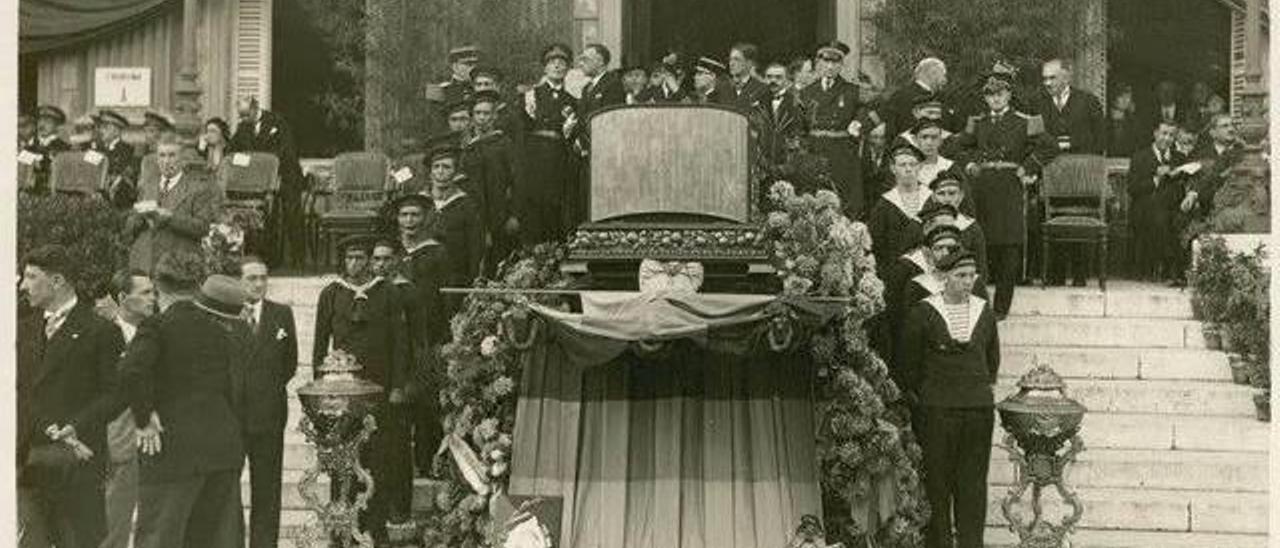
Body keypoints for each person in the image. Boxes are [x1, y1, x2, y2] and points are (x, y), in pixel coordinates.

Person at [121, 266, 251, 548]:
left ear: (158, 292)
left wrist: (144, 419)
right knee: (218, 540)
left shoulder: (156, 326)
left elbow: (132, 371)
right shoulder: (226, 330)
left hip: (172, 449)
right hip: (223, 448)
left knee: (160, 537)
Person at [17, 245, 125, 548]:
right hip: (25, 464)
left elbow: (115, 394)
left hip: (75, 466)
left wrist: (78, 425)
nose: (23, 285)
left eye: (31, 277)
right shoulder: (20, 330)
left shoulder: (101, 332)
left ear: (57, 281)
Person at [312, 234, 411, 543]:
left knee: (377, 458)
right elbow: (319, 344)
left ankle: (375, 526)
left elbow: (400, 342)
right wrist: (319, 390)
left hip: (379, 390)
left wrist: (396, 386)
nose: (354, 264)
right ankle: (341, 530)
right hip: (342, 390)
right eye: (349, 258)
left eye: (360, 258)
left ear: (370, 260)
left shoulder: (388, 293)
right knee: (342, 459)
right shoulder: (332, 293)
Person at [897, 249, 1000, 548]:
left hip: (977, 411)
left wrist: (976, 389)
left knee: (972, 486)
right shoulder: (923, 313)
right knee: (938, 485)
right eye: (960, 276)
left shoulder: (984, 311)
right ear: (943, 278)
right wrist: (930, 395)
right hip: (937, 411)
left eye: (971, 276)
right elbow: (908, 365)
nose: (968, 282)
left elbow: (992, 359)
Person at [954, 71, 1054, 320]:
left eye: (1000, 93)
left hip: (1010, 189)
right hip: (982, 189)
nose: (995, 98)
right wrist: (969, 164)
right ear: (985, 98)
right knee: (981, 245)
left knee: (1009, 248)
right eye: (990, 94)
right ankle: (978, 304)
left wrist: (1027, 167)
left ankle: (1001, 308)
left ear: (1009, 94)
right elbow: (958, 147)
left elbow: (1049, 146)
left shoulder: (1025, 121)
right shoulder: (976, 122)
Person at [1027, 58, 1105, 286]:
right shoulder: (1036, 103)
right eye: (1045, 78)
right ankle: (1054, 273)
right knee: (1046, 216)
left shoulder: (1089, 102)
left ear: (1067, 76)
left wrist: (1069, 146)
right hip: (1048, 174)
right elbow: (1032, 139)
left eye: (1052, 77)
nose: (1047, 83)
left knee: (1081, 215)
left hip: (1082, 176)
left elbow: (1100, 139)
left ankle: (1080, 274)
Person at [237, 256, 297, 548]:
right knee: (226, 490)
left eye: (263, 277)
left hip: (269, 415)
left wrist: (265, 390)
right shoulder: (225, 316)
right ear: (239, 281)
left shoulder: (281, 314)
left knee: (267, 490)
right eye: (252, 278)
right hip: (232, 417)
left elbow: (290, 364)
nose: (259, 283)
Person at [391, 195, 451, 475]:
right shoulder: (389, 254)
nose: (410, 221)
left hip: (427, 334)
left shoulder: (437, 253)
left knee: (426, 399)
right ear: (397, 219)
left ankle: (427, 462)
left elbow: (444, 297)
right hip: (395, 337)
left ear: (424, 218)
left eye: (415, 215)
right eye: (404, 215)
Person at [101, 270, 156, 548]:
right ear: (123, 297)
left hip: (158, 445)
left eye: (154, 292)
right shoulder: (101, 333)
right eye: (145, 292)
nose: (153, 298)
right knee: (113, 526)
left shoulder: (158, 331)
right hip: (118, 442)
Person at [367, 240, 418, 526]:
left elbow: (416, 340)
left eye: (387, 259)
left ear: (397, 261)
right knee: (378, 447)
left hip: (400, 380)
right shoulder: (371, 293)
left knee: (398, 447)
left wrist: (406, 381)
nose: (381, 265)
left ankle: (401, 506)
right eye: (377, 260)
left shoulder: (407, 292)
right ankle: (378, 506)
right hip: (376, 379)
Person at [126, 135, 225, 274]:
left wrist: (171, 217)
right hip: (146, 261)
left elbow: (202, 227)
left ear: (182, 159)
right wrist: (137, 217)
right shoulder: (147, 185)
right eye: (162, 155)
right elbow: (131, 227)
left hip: (179, 262)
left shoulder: (197, 188)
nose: (166, 161)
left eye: (172, 155)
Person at [230, 95, 306, 268]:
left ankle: (298, 259)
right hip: (259, 180)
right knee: (262, 214)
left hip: (286, 176)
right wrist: (246, 161)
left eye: (246, 114)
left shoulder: (277, 122)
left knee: (291, 211)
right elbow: (232, 152)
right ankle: (267, 258)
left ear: (255, 108)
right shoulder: (243, 127)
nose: (243, 118)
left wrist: (275, 172)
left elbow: (287, 151)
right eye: (241, 115)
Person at [518, 43, 579, 245]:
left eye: (562, 63)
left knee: (557, 211)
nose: (557, 66)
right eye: (552, 62)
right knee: (534, 211)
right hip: (534, 161)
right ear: (544, 68)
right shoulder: (531, 95)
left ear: (568, 69)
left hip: (559, 162)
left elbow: (572, 138)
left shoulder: (572, 101)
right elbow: (521, 131)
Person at [882, 224, 962, 378]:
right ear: (927, 252)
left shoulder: (970, 281)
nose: (946, 253)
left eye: (951, 249)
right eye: (939, 248)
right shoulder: (917, 284)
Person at [800, 40, 865, 216]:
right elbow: (801, 126)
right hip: (814, 152)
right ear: (818, 63)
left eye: (835, 62)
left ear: (841, 65)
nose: (829, 67)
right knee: (813, 202)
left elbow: (873, 107)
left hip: (841, 153)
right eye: (825, 61)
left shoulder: (852, 91)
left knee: (843, 201)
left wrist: (858, 122)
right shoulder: (806, 92)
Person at [463, 90, 519, 275]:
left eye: (486, 113)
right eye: (478, 113)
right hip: (475, 211)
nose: (482, 118)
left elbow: (516, 180)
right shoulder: (468, 146)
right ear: (472, 117)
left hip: (499, 212)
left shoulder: (504, 143)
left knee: (498, 262)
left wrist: (513, 215)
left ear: (494, 116)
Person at [1127, 121, 1185, 282]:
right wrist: (1156, 179)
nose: (1167, 139)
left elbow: (1182, 189)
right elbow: (1132, 189)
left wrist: (1177, 176)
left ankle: (1172, 269)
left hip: (1172, 208)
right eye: (1164, 133)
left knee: (1168, 217)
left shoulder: (1180, 158)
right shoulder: (1140, 157)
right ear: (1155, 134)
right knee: (1159, 217)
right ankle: (1167, 268)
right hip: (1143, 208)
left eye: (1171, 135)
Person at [866, 142, 931, 278]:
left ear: (919, 167)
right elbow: (876, 244)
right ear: (893, 168)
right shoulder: (884, 204)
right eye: (902, 165)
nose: (908, 169)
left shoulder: (932, 199)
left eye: (912, 164)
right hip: (894, 271)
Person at [425, 144, 485, 285]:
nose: (440, 171)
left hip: (455, 276)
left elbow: (475, 245)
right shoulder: (420, 203)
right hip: (424, 277)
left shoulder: (466, 205)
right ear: (430, 172)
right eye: (436, 167)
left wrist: (472, 277)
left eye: (446, 167)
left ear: (455, 173)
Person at [927, 172, 989, 298]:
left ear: (960, 196)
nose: (947, 199)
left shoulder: (971, 227)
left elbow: (980, 268)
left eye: (952, 193)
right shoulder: (921, 225)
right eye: (941, 193)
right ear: (933, 197)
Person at [883, 57, 948, 142]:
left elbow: (890, 131)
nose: (945, 80)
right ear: (932, 74)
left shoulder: (898, 95)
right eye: (943, 75)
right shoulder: (929, 100)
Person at [760, 61, 807, 169]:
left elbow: (801, 135)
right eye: (769, 77)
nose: (773, 81)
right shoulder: (759, 103)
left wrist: (791, 163)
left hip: (787, 164)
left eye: (778, 77)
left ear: (786, 80)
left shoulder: (796, 104)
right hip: (762, 164)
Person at [428, 45, 481, 133]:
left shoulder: (479, 88)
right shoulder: (438, 89)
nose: (473, 68)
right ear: (455, 66)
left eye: (475, 64)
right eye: (468, 64)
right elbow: (432, 121)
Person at [92, 109, 139, 209]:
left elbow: (123, 180)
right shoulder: (97, 149)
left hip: (116, 202)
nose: (101, 131)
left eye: (105, 128)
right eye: (101, 127)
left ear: (116, 131)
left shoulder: (127, 150)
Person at [32, 105, 70, 193]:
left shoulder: (63, 147)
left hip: (52, 191)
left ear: (57, 126)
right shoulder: (31, 145)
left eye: (48, 121)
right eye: (40, 120)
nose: (42, 124)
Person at [910, 117, 955, 187]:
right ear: (915, 140)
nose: (929, 143)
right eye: (924, 137)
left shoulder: (950, 167)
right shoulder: (905, 168)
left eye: (934, 137)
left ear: (941, 140)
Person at [726, 42, 770, 111]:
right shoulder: (721, 87)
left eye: (736, 59)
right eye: (730, 59)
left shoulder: (762, 90)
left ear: (749, 63)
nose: (731, 63)